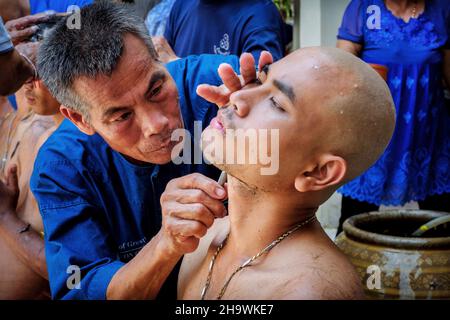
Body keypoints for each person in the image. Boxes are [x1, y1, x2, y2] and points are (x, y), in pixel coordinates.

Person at [28, 1, 272, 300]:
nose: (156, 125)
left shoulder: (220, 85)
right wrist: (165, 244)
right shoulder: (63, 166)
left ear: (160, 58)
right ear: (80, 119)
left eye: (156, 90)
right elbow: (82, 289)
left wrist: (263, 106)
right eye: (122, 116)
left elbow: (314, 115)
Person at [178, 47, 396, 300]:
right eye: (260, 80)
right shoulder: (203, 236)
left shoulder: (308, 291)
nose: (238, 97)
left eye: (276, 103)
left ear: (318, 172)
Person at [336, 0, 450, 234]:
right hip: (373, 138)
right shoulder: (363, 8)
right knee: (352, 225)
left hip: (428, 137)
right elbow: (342, 72)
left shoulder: (442, 9)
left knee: (441, 226)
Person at [0, 78, 63, 299]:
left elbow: (78, 274)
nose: (28, 83)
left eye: (38, 72)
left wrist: (5, 216)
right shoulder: (32, 127)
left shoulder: (55, 146)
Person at [162, 0, 286, 62]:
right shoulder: (182, 4)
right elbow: (165, 54)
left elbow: (258, 89)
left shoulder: (261, 16)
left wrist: (177, 66)